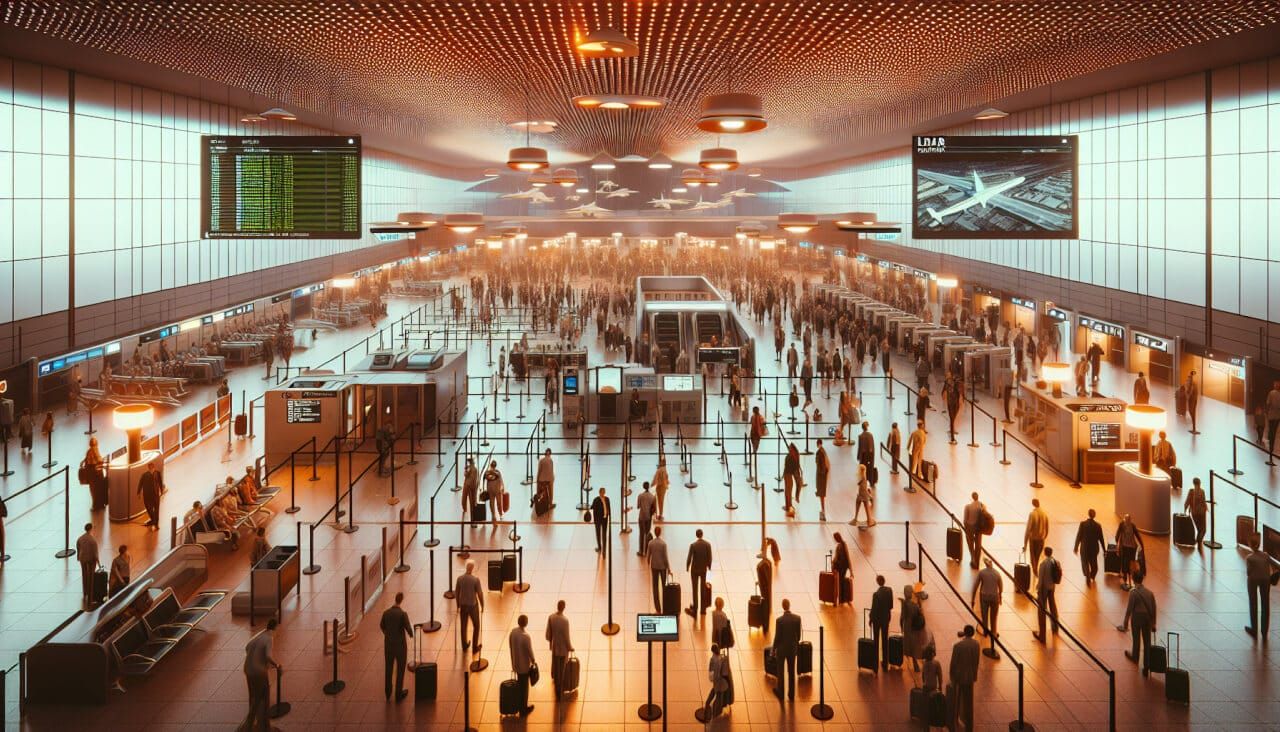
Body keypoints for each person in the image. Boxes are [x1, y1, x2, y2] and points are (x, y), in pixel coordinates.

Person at [241, 619, 280, 732]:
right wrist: (276, 665)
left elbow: (247, 647)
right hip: (259, 672)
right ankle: (262, 727)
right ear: (275, 628)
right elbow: (268, 656)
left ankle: (252, 725)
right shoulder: (269, 638)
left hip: (248, 669)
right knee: (263, 696)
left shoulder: (259, 634)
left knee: (253, 696)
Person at [1120, 572, 1157, 675]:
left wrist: (1125, 621)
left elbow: (1129, 609)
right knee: (1147, 641)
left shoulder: (1133, 593)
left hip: (1137, 617)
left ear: (1133, 579)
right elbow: (1153, 609)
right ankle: (1147, 665)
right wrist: (1154, 623)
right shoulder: (1150, 593)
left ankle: (1135, 657)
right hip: (1147, 619)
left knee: (1136, 639)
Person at [380, 592, 412, 701]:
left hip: (388, 646)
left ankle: (388, 693)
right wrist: (411, 634)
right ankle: (398, 694)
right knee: (400, 669)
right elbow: (408, 628)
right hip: (400, 647)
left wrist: (387, 634)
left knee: (388, 669)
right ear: (401, 600)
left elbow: (382, 626)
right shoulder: (403, 614)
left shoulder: (386, 613)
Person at [950, 625, 981, 731]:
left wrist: (952, 675)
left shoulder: (958, 646)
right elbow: (976, 662)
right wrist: (974, 675)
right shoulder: (976, 645)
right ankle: (969, 725)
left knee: (957, 699)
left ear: (965, 632)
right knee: (968, 701)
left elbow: (953, 663)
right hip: (970, 676)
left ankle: (955, 720)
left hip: (959, 676)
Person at [1245, 533, 1275, 638]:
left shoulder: (1249, 558)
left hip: (1253, 580)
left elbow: (1248, 572)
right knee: (1265, 604)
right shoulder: (1266, 555)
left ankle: (1254, 629)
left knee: (1253, 603)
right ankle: (1264, 631)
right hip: (1266, 580)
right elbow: (1275, 565)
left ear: (1250, 545)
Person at [771, 598, 801, 702]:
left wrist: (773, 649)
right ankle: (791, 694)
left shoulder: (779, 621)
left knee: (780, 671)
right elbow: (799, 637)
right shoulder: (797, 619)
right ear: (789, 605)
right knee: (791, 671)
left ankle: (781, 693)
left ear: (783, 607)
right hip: (792, 649)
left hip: (782, 650)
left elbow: (777, 637)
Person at [508, 614, 536, 716]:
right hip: (524, 666)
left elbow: (510, 647)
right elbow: (529, 651)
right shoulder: (526, 637)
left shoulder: (513, 633)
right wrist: (533, 660)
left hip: (515, 664)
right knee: (524, 688)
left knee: (519, 686)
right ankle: (523, 709)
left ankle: (518, 705)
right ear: (526, 623)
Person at [545, 600, 573, 698]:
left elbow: (548, 634)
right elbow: (566, 636)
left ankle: (554, 677)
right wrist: (570, 647)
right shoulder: (565, 621)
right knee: (561, 669)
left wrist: (550, 643)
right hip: (563, 649)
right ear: (564, 607)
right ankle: (559, 689)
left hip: (555, 646)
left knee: (555, 665)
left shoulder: (551, 617)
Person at [900, 585, 932, 672]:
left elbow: (902, 617)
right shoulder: (914, 605)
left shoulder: (904, 604)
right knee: (915, 644)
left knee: (909, 644)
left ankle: (912, 661)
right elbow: (920, 613)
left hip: (907, 627)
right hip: (914, 626)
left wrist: (901, 627)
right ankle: (916, 663)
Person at [1032, 546, 1061, 642]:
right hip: (1052, 587)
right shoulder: (1056, 562)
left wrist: (1038, 589)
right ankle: (1055, 627)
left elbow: (1041, 579)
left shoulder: (1043, 564)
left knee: (1042, 610)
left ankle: (1042, 635)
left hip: (1044, 588)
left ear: (1045, 553)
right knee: (1053, 607)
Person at [455, 560, 484, 652]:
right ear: (472, 568)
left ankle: (464, 645)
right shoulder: (475, 580)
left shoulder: (459, 579)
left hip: (463, 605)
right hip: (473, 606)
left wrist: (458, 605)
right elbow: (480, 594)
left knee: (463, 626)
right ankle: (474, 648)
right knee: (476, 625)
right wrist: (483, 605)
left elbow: (456, 593)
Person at [971, 557, 1003, 639]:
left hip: (984, 596)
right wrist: (1000, 596)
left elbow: (975, 586)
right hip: (994, 597)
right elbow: (1001, 586)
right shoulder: (997, 573)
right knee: (994, 616)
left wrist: (973, 599)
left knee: (984, 616)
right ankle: (994, 632)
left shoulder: (982, 573)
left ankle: (985, 632)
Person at [1073, 508, 1106, 585]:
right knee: (1094, 565)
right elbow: (1101, 538)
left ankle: (1087, 575)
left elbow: (1079, 536)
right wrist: (1104, 550)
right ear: (1095, 515)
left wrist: (1076, 547)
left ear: (1088, 514)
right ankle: (1092, 575)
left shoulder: (1083, 524)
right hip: (1094, 549)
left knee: (1085, 563)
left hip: (1084, 547)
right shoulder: (1098, 526)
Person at [685, 528, 713, 616]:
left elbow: (689, 558)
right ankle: (703, 609)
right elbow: (710, 557)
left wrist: (687, 566)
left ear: (696, 535)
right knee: (703, 589)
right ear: (702, 534)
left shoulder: (693, 545)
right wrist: (709, 566)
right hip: (703, 569)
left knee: (695, 589)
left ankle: (695, 609)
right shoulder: (707, 545)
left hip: (694, 570)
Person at [869, 575, 893, 671]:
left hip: (877, 620)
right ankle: (885, 664)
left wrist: (871, 619)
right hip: (885, 619)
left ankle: (875, 665)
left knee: (876, 641)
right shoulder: (889, 591)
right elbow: (891, 606)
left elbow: (874, 609)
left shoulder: (876, 595)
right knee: (885, 640)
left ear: (878, 582)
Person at [1116, 513, 1144, 591]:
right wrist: (1141, 544)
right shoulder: (1132, 525)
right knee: (1131, 564)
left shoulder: (1122, 524)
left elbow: (1117, 535)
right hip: (1131, 548)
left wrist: (1117, 543)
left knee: (1125, 564)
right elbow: (1138, 535)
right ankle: (1130, 581)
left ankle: (1126, 581)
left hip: (1125, 548)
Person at [704, 642, 731, 718]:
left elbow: (712, 673)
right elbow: (723, 671)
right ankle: (713, 711)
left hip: (717, 681)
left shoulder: (713, 659)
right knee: (717, 695)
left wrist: (713, 679)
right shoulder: (720, 658)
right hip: (720, 681)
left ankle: (709, 706)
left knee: (714, 692)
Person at [647, 526, 670, 612]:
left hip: (654, 566)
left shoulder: (650, 543)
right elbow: (665, 557)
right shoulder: (663, 544)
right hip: (662, 567)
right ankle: (665, 606)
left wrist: (648, 563)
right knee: (664, 587)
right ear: (660, 533)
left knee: (655, 586)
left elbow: (648, 556)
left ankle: (658, 608)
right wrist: (669, 568)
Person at [76, 523, 99, 607]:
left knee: (84, 575)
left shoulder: (80, 538)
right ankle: (90, 598)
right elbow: (95, 553)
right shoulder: (93, 540)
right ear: (91, 529)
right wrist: (98, 563)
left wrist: (78, 557)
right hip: (90, 560)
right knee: (91, 578)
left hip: (83, 559)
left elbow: (78, 547)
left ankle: (85, 592)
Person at [962, 492, 986, 569]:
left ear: (972, 497)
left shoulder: (968, 507)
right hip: (979, 529)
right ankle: (977, 563)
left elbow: (965, 520)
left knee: (970, 543)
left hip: (970, 528)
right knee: (978, 545)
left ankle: (973, 558)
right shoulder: (982, 506)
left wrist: (966, 528)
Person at [1023, 498, 1049, 570]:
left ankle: (1035, 571)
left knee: (1033, 558)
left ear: (1033, 504)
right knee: (1037, 557)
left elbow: (1028, 529)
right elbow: (1047, 529)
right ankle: (1036, 570)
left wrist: (1025, 543)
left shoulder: (1032, 514)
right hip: (1041, 539)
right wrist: (1044, 537)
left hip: (1033, 539)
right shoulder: (1044, 514)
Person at [82, 438, 107, 511]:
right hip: (97, 471)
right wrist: (103, 460)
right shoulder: (95, 450)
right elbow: (99, 460)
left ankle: (96, 505)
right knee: (99, 488)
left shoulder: (89, 451)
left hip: (92, 472)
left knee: (93, 489)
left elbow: (86, 459)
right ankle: (100, 504)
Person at [138, 461, 163, 530]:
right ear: (148, 468)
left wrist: (161, 490)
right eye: (150, 468)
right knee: (149, 509)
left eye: (152, 467)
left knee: (156, 510)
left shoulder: (157, 473)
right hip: (147, 496)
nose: (151, 469)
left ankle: (156, 524)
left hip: (156, 495)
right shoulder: (144, 475)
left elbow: (160, 482)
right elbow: (140, 483)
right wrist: (138, 493)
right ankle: (153, 521)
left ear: (154, 467)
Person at [1184, 478, 1208, 547]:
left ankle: (1197, 542)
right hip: (1202, 513)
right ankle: (1199, 542)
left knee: (1199, 529)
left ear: (1193, 483)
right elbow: (1204, 502)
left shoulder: (1191, 491)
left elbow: (1187, 502)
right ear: (1200, 483)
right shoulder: (1202, 491)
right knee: (1203, 530)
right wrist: (1206, 509)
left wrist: (1185, 511)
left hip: (1194, 513)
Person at [636, 481, 656, 556]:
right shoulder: (652, 496)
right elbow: (654, 508)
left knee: (641, 534)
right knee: (647, 534)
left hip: (641, 517)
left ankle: (641, 551)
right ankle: (646, 551)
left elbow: (638, 506)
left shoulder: (640, 496)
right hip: (648, 517)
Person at [831, 532, 852, 603]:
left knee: (840, 583)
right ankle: (840, 599)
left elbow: (847, 557)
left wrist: (851, 571)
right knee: (840, 582)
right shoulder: (840, 545)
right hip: (841, 567)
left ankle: (840, 599)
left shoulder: (842, 545)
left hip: (841, 567)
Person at [782, 443, 802, 516]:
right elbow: (796, 468)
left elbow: (790, 467)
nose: (789, 449)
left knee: (788, 491)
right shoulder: (795, 456)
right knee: (788, 491)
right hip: (788, 475)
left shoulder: (791, 456)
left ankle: (789, 506)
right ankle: (788, 506)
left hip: (787, 475)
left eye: (790, 448)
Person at [483, 460, 505, 525]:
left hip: (494, 490)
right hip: (494, 490)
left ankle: (497, 515)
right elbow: (500, 479)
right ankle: (497, 515)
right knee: (496, 503)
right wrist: (503, 487)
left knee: (495, 503)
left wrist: (502, 487)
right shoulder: (493, 472)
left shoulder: (491, 472)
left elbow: (500, 479)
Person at [590, 487, 610, 554]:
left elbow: (609, 509)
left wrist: (609, 517)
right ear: (599, 492)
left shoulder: (607, 499)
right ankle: (599, 547)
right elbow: (592, 507)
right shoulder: (596, 500)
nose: (603, 493)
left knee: (604, 534)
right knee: (598, 534)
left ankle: (604, 549)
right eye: (602, 492)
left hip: (605, 519)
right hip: (598, 520)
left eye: (604, 492)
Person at [813, 439, 830, 521]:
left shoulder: (819, 452)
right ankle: (823, 511)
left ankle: (823, 512)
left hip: (821, 476)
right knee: (822, 495)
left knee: (821, 494)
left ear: (817, 444)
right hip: (823, 475)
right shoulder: (823, 451)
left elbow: (820, 464)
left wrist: (822, 473)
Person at [1266, 380, 1280, 455]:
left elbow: (1268, 403)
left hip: (1273, 415)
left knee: (1272, 430)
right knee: (1273, 431)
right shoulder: (1273, 393)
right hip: (1276, 416)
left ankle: (1271, 447)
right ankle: (1271, 447)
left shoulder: (1271, 393)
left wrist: (1267, 412)